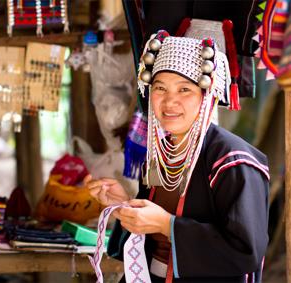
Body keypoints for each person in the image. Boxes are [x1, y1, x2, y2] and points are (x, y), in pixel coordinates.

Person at [84, 30, 270, 283]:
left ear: (207, 97)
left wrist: (166, 225)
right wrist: (124, 206)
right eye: (160, 88)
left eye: (184, 89)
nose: (169, 101)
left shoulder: (233, 161)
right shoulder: (161, 151)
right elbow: (151, 231)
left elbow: (245, 251)